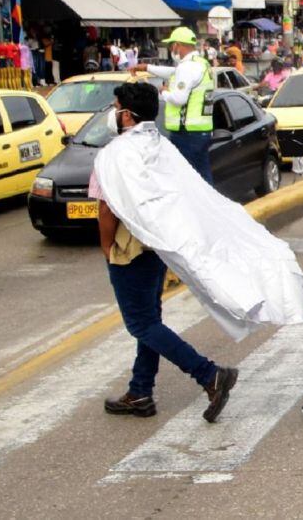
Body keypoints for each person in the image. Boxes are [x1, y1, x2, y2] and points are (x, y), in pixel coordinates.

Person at [92, 83, 238, 423]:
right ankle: (140, 392)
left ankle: (209, 375)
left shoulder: (115, 154)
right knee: (150, 321)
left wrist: (106, 246)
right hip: (155, 242)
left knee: (141, 324)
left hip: (128, 246)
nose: (113, 113)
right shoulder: (159, 145)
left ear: (127, 115)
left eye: (116, 107)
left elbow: (106, 209)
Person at [131, 27, 216, 183]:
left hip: (186, 132)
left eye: (171, 45)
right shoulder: (200, 63)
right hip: (200, 130)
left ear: (177, 45)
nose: (171, 49)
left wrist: (163, 91)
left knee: (186, 180)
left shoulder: (188, 67)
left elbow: (178, 99)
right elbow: (174, 72)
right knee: (203, 178)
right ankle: (208, 206)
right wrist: (148, 67)